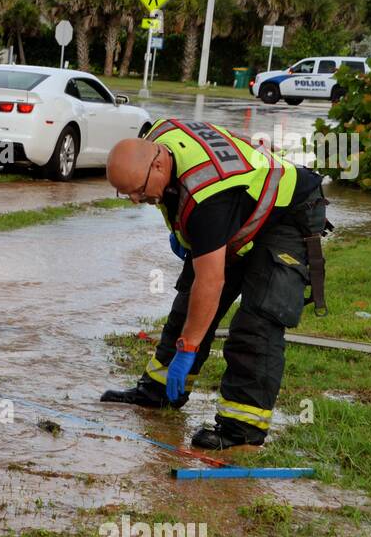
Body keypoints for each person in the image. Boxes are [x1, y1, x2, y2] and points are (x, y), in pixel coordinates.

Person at [102, 118, 331, 449]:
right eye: (127, 194)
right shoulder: (162, 132)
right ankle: (160, 392)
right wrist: (182, 232)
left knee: (257, 321)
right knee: (187, 304)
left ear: (158, 163)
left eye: (139, 190)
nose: (137, 200)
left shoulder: (209, 198)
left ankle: (242, 428)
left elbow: (211, 283)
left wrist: (188, 349)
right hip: (242, 206)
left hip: (289, 213)